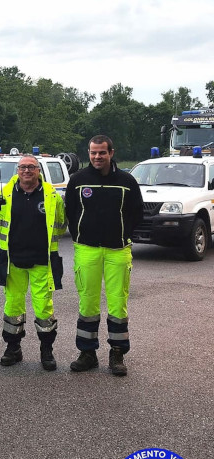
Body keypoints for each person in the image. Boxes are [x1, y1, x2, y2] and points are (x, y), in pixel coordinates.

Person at [65, 135, 143, 376]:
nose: (97, 157)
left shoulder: (127, 181)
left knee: (117, 304)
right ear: (88, 154)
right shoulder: (78, 180)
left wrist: (122, 234)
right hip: (87, 250)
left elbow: (136, 212)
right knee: (87, 303)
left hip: (117, 251)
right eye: (93, 153)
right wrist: (80, 234)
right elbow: (70, 210)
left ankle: (117, 354)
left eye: (102, 153)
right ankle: (87, 353)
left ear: (111, 153)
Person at [0, 155, 67, 371]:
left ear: (39, 170)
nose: (26, 171)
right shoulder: (4, 194)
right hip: (13, 261)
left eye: (31, 167)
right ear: (17, 170)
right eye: (22, 167)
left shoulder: (52, 195)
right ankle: (13, 348)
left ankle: (46, 350)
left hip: (42, 260)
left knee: (43, 308)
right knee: (13, 306)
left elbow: (60, 225)